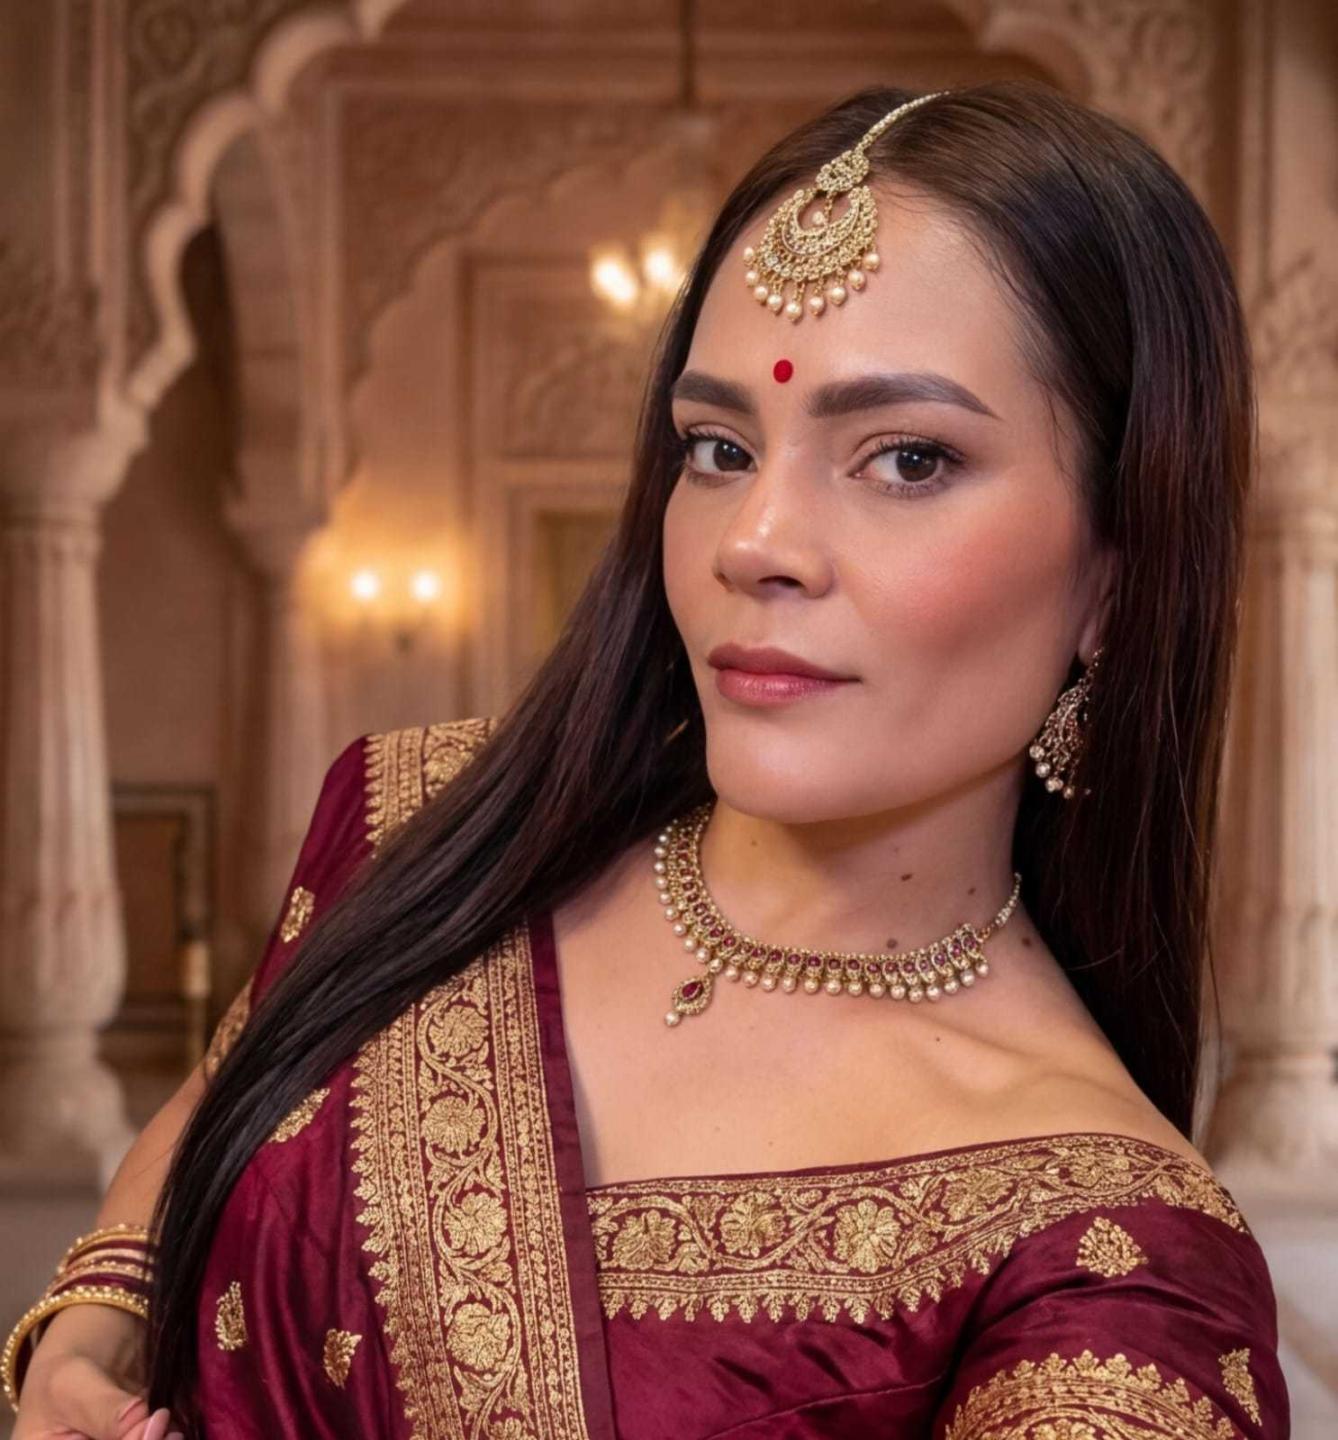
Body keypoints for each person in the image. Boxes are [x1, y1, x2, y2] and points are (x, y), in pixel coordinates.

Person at [7, 80, 1288, 1439]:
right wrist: (92, 1330)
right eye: (719, 448)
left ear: (1117, 574)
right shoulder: (430, 826)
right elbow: (221, 1107)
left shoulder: (1107, 1270)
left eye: (907, 459)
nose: (754, 542)